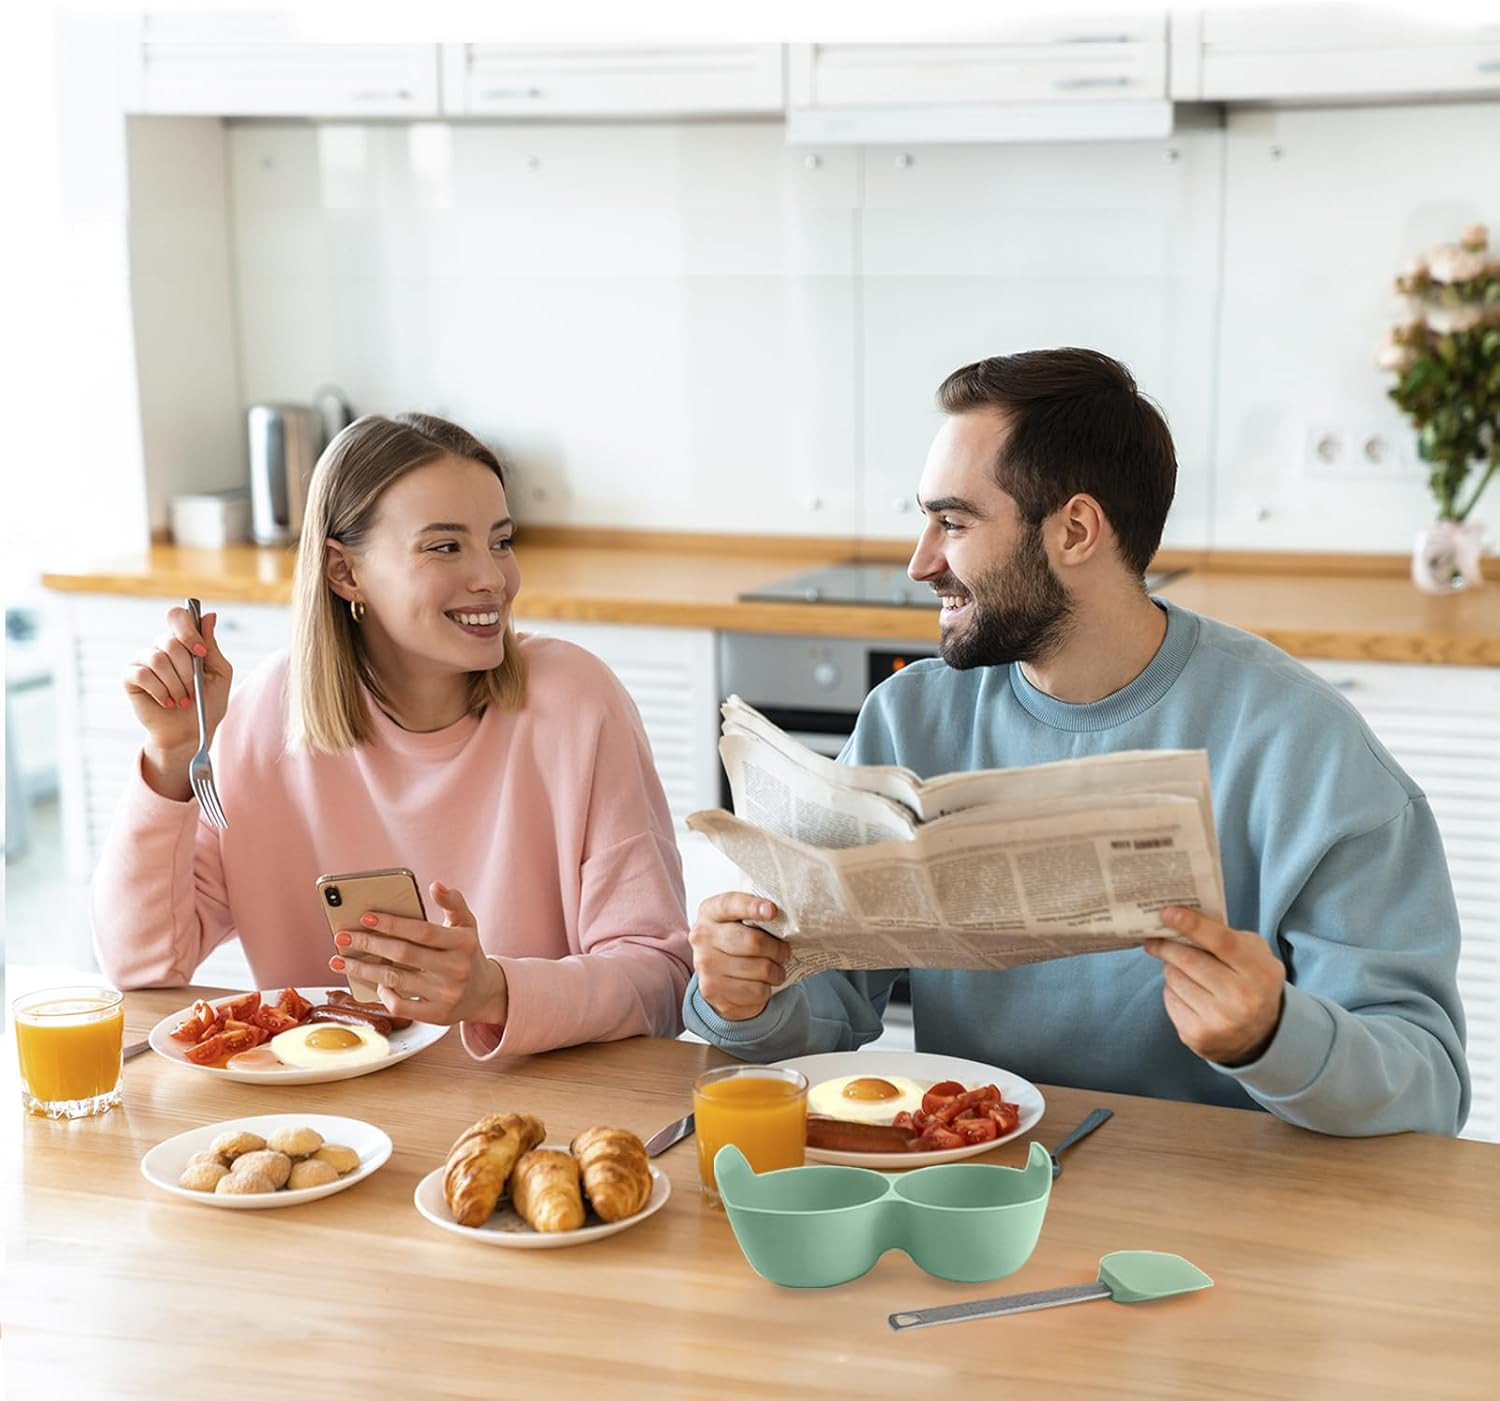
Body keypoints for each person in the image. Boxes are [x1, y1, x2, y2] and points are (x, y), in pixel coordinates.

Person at [684, 349, 1469, 1137]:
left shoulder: (1308, 749)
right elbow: (832, 1007)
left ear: (1076, 530)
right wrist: (747, 994)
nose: (920, 562)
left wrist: (1272, 1035)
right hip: (976, 1181)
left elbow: (1428, 1086)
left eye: (953, 522)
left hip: (1221, 1213)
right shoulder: (908, 718)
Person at [94, 412, 692, 1058]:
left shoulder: (577, 703)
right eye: (445, 546)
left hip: (539, 1117)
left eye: (500, 540)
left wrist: (494, 991)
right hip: (330, 1122)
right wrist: (173, 755)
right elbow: (142, 966)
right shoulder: (266, 716)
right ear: (344, 572)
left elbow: (661, 980)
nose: (492, 577)